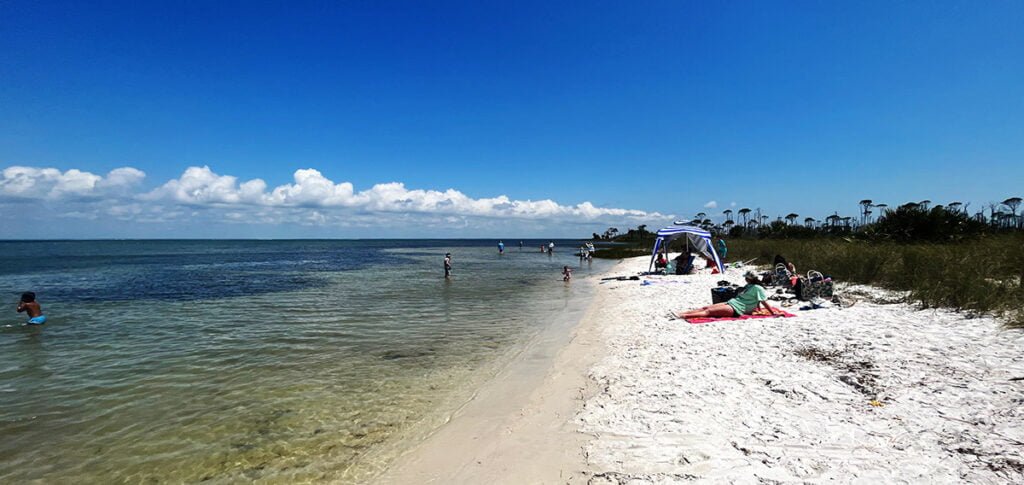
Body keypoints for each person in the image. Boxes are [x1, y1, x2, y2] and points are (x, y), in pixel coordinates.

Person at [673, 271, 773, 319]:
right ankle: (682, 312)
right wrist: (758, 308)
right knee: (706, 307)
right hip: (734, 303)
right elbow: (758, 300)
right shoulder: (749, 285)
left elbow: (763, 301)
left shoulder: (758, 288)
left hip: (739, 309)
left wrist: (772, 313)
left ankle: (684, 316)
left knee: (709, 311)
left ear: (749, 278)